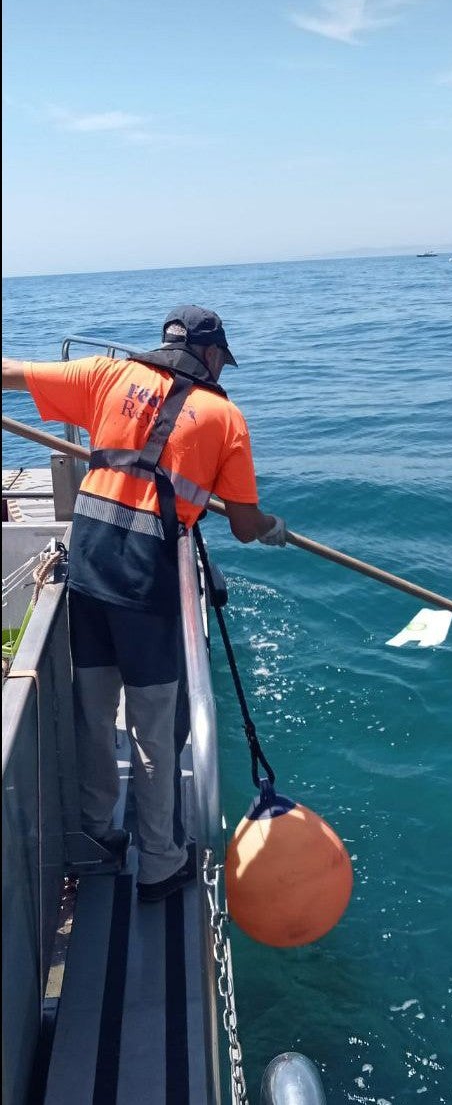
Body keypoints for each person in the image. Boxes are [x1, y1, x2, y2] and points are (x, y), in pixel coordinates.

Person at [2, 305, 286, 902]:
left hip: (88, 564)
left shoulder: (109, 377)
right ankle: (160, 861)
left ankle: (98, 831)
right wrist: (272, 526)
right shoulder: (224, 417)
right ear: (211, 356)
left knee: (96, 709)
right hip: (142, 584)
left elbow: (12, 372)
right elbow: (240, 524)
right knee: (156, 732)